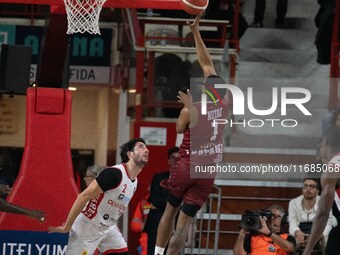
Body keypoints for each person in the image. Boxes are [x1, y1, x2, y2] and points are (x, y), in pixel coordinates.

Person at [154, 14, 228, 255]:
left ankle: (156, 253)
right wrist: (197, 32)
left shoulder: (192, 108)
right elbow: (208, 65)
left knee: (169, 212)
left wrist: (186, 106)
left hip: (187, 164)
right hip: (208, 170)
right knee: (184, 225)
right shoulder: (225, 104)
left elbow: (177, 128)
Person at [48, 138, 149, 255]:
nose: (146, 150)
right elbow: (83, 196)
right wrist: (67, 226)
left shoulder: (135, 182)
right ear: (130, 154)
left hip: (108, 228)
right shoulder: (114, 174)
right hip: (88, 226)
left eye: (146, 148)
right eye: (141, 147)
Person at [302, 126, 340, 255]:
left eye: (327, 144)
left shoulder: (333, 168)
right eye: (322, 145)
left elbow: (323, 214)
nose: (323, 150)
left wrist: (306, 251)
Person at [144, 146, 179, 255]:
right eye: (173, 157)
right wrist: (177, 203)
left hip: (176, 223)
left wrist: (166, 203)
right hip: (156, 223)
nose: (175, 160)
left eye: (179, 158)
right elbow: (155, 200)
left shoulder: (185, 181)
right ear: (168, 161)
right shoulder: (159, 177)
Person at [288, 178, 337, 253]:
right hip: (301, 230)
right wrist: (297, 232)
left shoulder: (325, 202)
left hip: (319, 230)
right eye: (305, 186)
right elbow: (292, 222)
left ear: (318, 191)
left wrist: (319, 235)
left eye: (311, 186)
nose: (308, 189)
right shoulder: (293, 203)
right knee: (291, 240)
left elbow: (328, 224)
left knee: (328, 240)